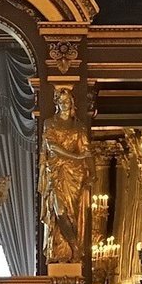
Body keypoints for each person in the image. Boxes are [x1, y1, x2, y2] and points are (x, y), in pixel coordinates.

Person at [39, 88, 90, 265]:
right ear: (56, 103)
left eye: (67, 100)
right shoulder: (49, 124)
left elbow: (85, 150)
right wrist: (75, 156)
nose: (65, 103)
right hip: (56, 172)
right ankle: (74, 246)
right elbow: (51, 146)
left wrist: (87, 165)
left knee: (73, 213)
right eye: (61, 101)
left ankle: (73, 250)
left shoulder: (79, 127)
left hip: (75, 175)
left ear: (72, 102)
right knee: (60, 211)